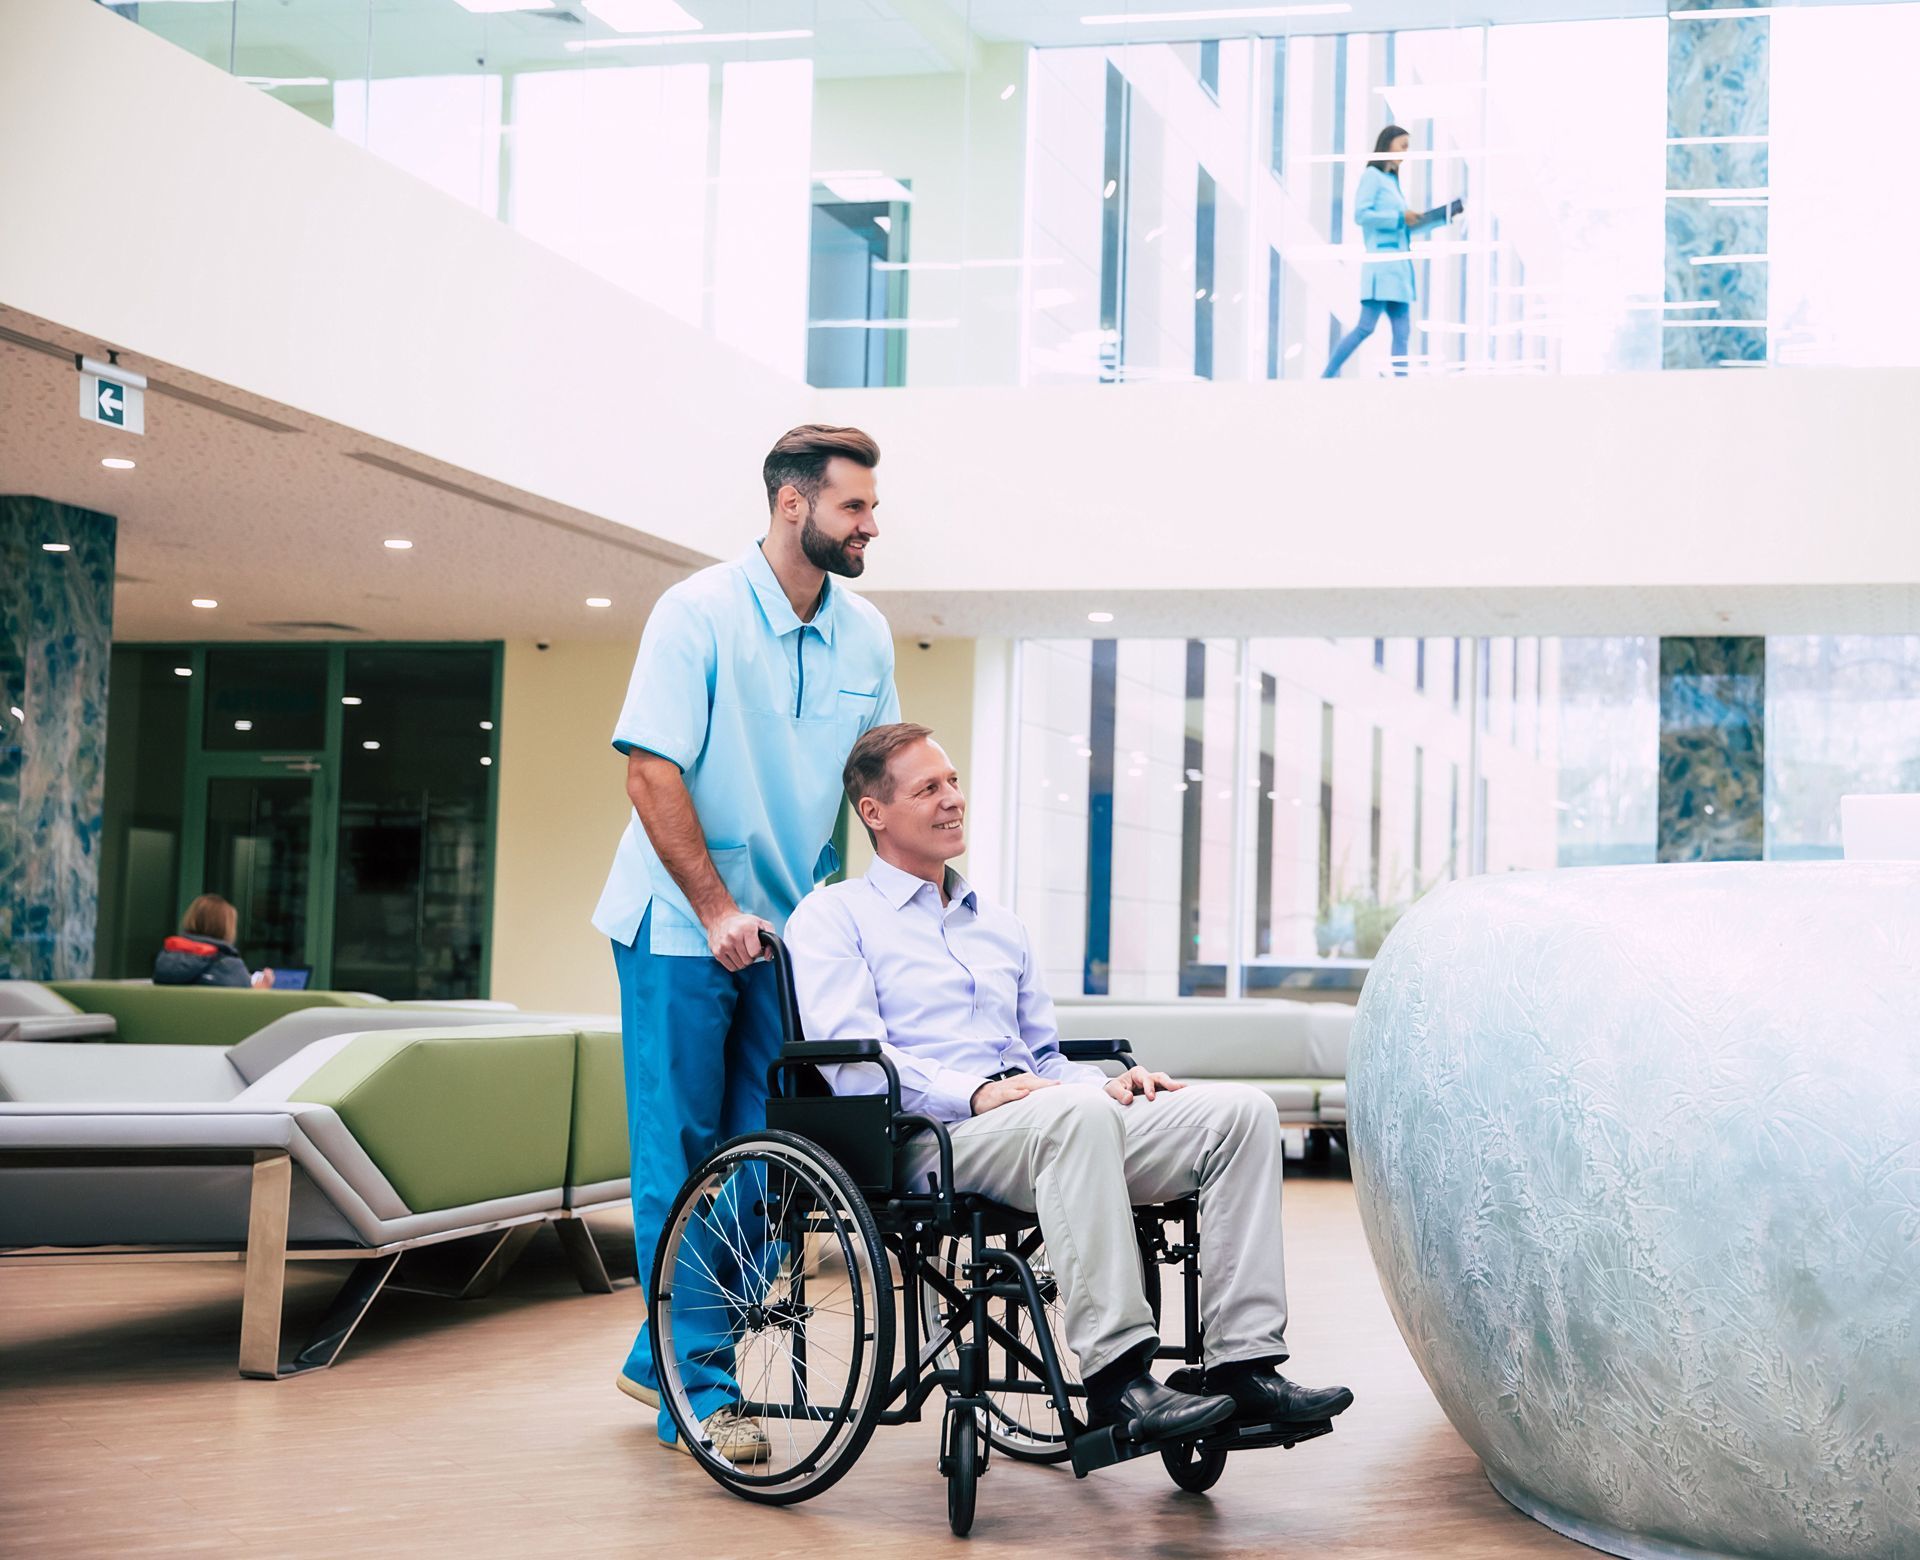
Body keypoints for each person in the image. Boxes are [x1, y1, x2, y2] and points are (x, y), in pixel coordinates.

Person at [784, 724, 1354, 1447]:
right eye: (929, 788)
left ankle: (1242, 1366)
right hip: (931, 1136)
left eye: (953, 781)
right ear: (874, 813)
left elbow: (1043, 1058)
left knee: (1241, 1112)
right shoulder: (833, 916)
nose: (953, 799)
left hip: (1044, 1118)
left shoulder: (999, 926)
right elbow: (853, 1063)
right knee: (1073, 1120)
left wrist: (1109, 1085)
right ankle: (1119, 1382)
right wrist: (976, 1094)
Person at [592, 424, 900, 1462]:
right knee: (681, 1157)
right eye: (853, 507)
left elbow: (876, 784)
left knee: (776, 1167)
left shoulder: (867, 636)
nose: (870, 526)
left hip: (786, 936)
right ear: (791, 505)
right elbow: (650, 773)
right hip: (680, 925)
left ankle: (666, 1353)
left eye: (871, 507)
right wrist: (719, 908)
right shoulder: (698, 613)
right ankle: (705, 1391)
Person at [1322, 124, 1456, 379]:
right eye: (1402, 146)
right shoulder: (1373, 176)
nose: (1404, 153)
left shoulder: (1393, 182)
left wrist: (1436, 219)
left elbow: (1402, 226)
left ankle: (1401, 383)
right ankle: (1327, 374)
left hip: (1399, 269)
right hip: (1382, 266)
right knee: (1366, 327)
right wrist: (1399, 216)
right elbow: (1362, 215)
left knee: (1402, 332)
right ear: (1388, 143)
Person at [152, 894, 274, 988]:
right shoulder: (229, 965)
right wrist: (261, 989)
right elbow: (244, 1003)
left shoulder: (166, 959)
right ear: (227, 928)